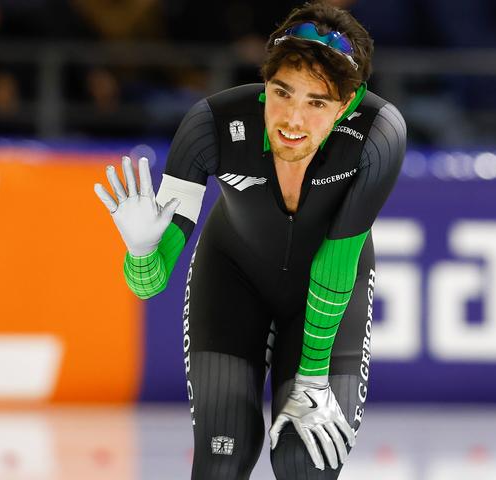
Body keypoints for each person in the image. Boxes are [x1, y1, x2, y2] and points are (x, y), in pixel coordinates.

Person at [94, 2, 405, 478]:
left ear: (348, 105)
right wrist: (140, 254)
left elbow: (337, 258)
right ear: (265, 84)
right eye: (282, 92)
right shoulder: (211, 126)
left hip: (327, 289)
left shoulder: (378, 135)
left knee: (304, 465)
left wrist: (313, 375)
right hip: (231, 281)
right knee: (223, 456)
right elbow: (148, 285)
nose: (293, 120)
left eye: (317, 102)